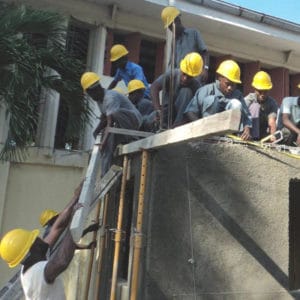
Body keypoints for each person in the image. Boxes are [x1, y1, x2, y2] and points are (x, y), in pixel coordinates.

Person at [0, 182, 84, 300]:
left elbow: (57, 228)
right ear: (30, 252)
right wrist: (73, 221)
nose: (40, 239)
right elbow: (62, 261)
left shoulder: (33, 259)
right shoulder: (36, 273)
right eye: (34, 241)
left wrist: (76, 197)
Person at [81, 72, 142, 176]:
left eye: (90, 94)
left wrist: (103, 142)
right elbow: (104, 119)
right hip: (118, 125)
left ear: (95, 89)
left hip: (133, 121)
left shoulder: (110, 97)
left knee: (115, 115)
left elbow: (109, 121)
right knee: (107, 147)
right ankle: (104, 175)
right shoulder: (100, 101)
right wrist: (96, 133)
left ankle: (133, 138)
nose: (91, 97)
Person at [184, 59, 252, 140]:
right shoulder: (206, 90)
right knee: (211, 100)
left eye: (233, 85)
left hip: (228, 135)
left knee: (236, 103)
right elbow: (190, 112)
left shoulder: (237, 95)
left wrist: (247, 129)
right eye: (227, 84)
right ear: (219, 78)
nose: (230, 88)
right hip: (206, 131)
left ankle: (230, 136)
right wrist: (200, 125)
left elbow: (247, 117)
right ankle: (209, 134)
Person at [150, 52, 203, 129]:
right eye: (184, 74)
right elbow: (154, 87)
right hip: (165, 113)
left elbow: (195, 112)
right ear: (181, 69)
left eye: (189, 77)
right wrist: (158, 110)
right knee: (149, 120)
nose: (185, 79)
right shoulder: (172, 74)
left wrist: (179, 125)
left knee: (186, 92)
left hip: (181, 120)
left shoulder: (196, 86)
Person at [161, 6, 209, 82]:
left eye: (171, 26)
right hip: (180, 79)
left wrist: (205, 69)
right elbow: (172, 64)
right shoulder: (174, 42)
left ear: (178, 21)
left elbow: (205, 52)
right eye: (169, 27)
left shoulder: (193, 33)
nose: (171, 29)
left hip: (194, 78)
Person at [244, 71, 278, 140]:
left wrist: (273, 135)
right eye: (260, 91)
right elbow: (243, 115)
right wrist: (246, 130)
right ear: (255, 89)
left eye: (265, 91)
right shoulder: (248, 99)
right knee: (255, 106)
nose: (262, 94)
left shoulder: (272, 103)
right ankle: (252, 136)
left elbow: (272, 120)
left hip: (262, 133)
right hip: (247, 131)